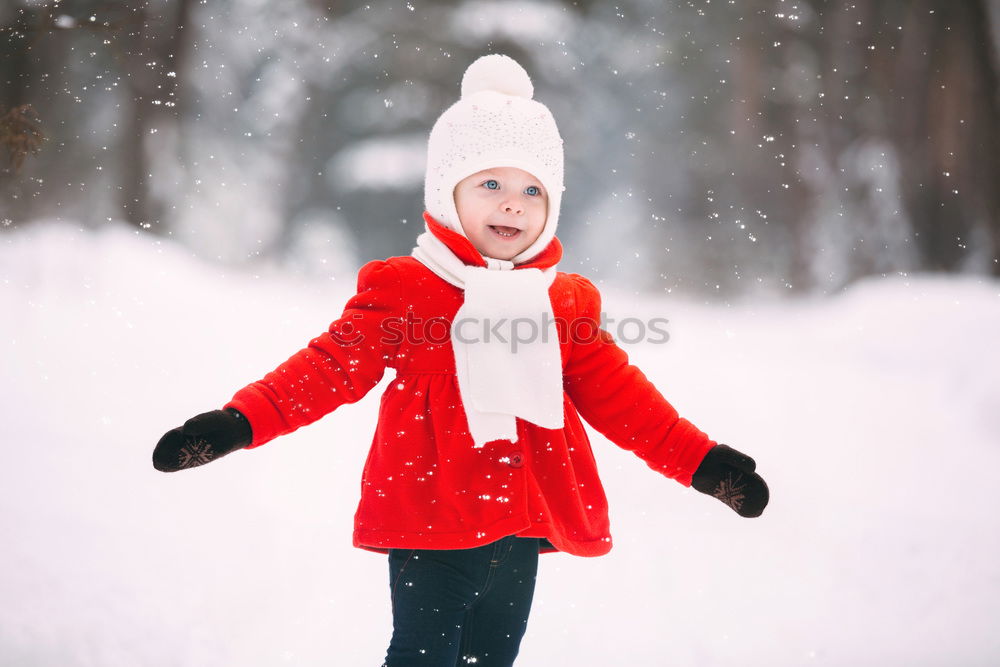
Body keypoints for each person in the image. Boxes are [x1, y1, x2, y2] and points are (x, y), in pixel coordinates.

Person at [153, 54, 769, 667]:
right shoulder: (406, 288)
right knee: (423, 656)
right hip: (431, 518)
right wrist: (240, 422)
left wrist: (701, 463)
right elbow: (328, 368)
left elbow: (623, 398)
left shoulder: (564, 302)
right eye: (490, 184)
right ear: (448, 194)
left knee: (491, 658)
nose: (513, 205)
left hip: (523, 524)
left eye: (533, 190)